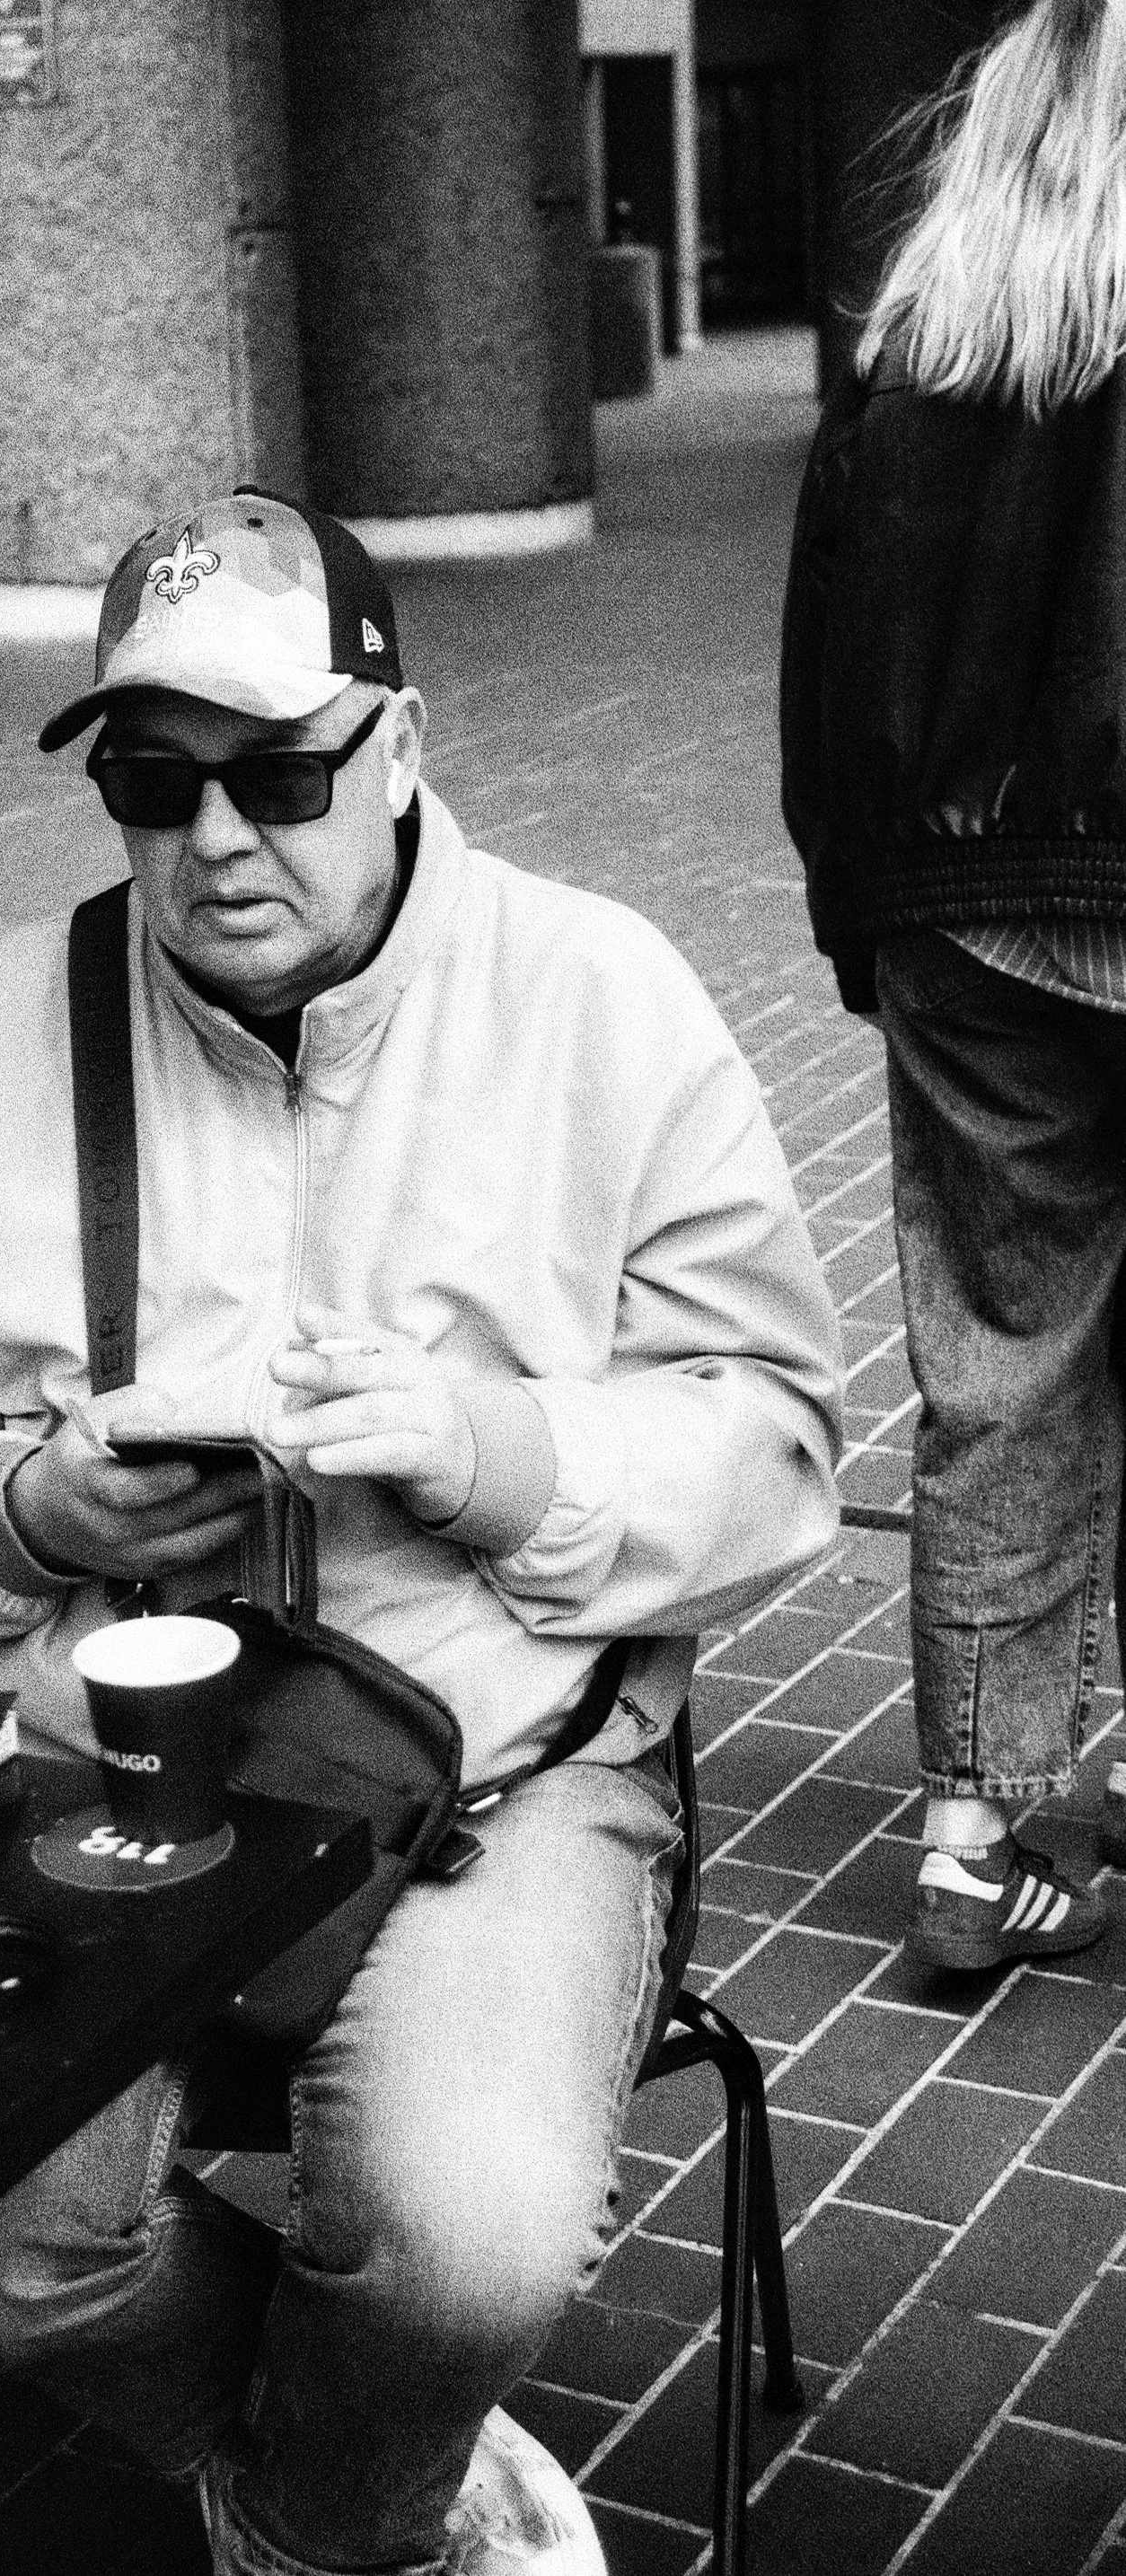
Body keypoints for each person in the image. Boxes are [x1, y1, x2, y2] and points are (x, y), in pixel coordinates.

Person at [0, 488, 842, 2576]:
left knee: (459, 2253)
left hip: (503, 1765)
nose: (212, 840)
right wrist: (23, 1504)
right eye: (149, 780)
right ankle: (374, 2481)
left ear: (398, 745)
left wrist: (498, 1453)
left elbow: (780, 1450)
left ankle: (316, 2515)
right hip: (96, 1768)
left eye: (278, 774)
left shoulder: (598, 995)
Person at [781, 0, 1126, 1974]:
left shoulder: (919, 346)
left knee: (999, 1366)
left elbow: (825, 672)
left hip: (965, 911)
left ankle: (973, 1831)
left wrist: (865, 920)